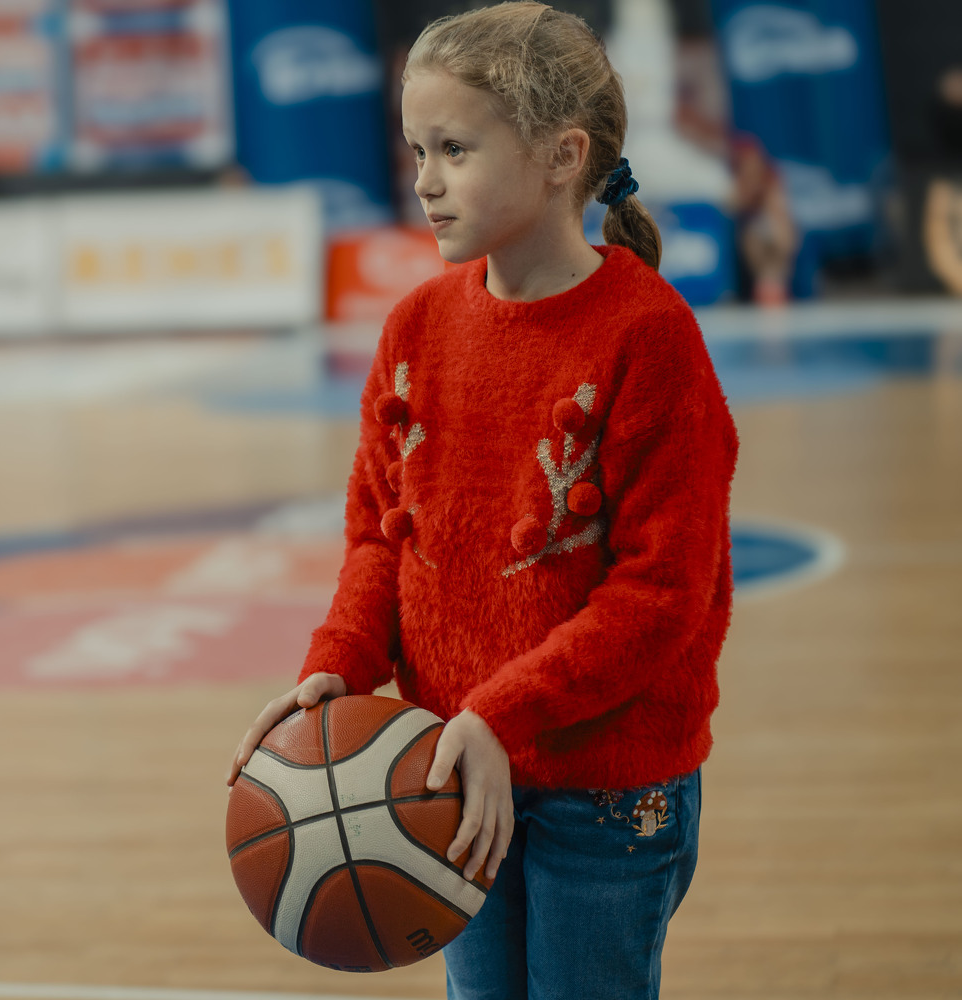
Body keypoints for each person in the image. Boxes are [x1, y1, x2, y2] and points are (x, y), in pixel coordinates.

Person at [225, 4, 738, 998]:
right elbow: (380, 540)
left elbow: (662, 595)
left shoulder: (650, 337)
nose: (424, 180)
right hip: (447, 771)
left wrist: (500, 715)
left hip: (605, 790)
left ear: (562, 156)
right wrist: (339, 663)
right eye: (417, 149)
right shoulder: (413, 328)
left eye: (454, 150)